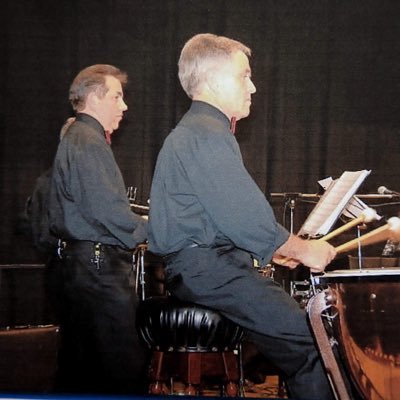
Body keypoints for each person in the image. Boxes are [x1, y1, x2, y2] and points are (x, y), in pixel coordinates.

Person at [148, 33, 336, 400]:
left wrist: (273, 249)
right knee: (317, 345)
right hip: (209, 271)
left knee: (304, 344)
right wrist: (301, 250)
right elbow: (243, 216)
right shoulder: (206, 132)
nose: (253, 86)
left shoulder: (197, 131)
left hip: (203, 268)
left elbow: (218, 214)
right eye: (244, 75)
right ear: (216, 80)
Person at [48, 64, 148, 394]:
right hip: (97, 270)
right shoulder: (88, 141)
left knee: (82, 367)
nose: (124, 106)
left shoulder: (78, 137)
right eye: (117, 97)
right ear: (93, 97)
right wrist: (154, 230)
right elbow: (109, 213)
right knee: (122, 367)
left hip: (81, 267)